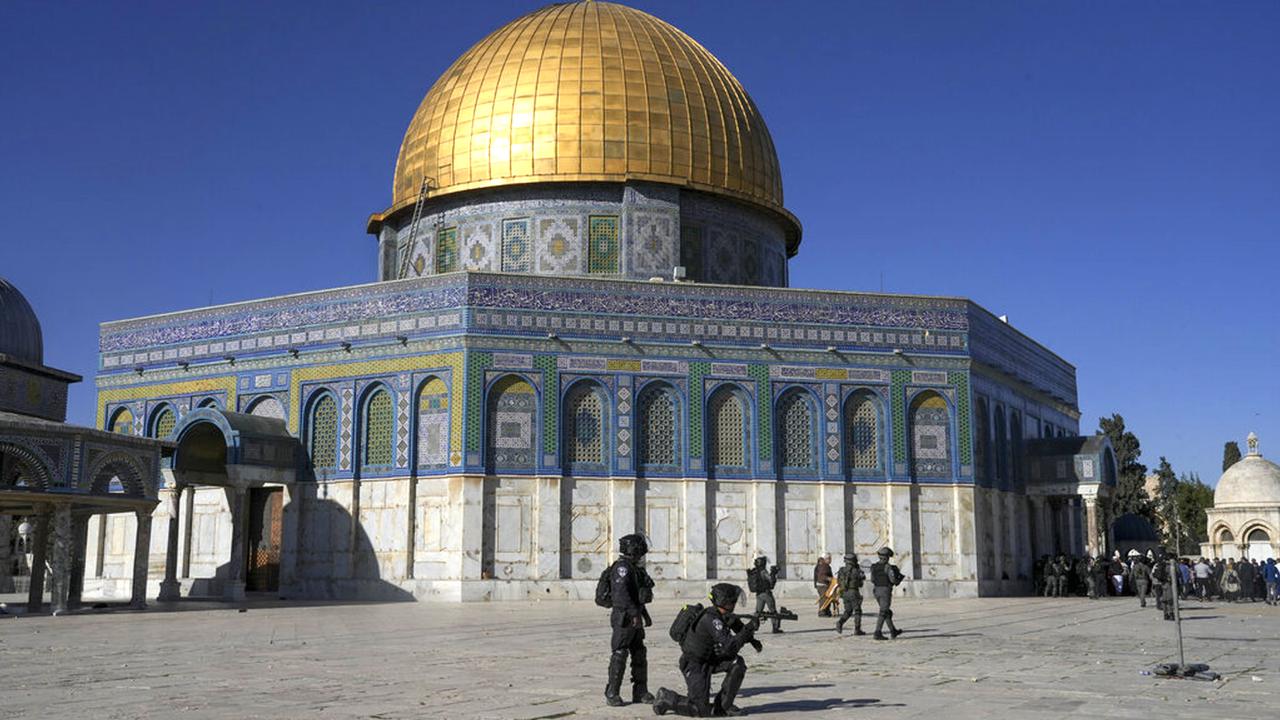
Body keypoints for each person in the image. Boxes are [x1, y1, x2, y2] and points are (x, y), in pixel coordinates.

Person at [653, 583, 758, 717]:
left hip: (710, 659)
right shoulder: (711, 619)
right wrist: (748, 629)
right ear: (725, 601)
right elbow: (730, 646)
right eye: (732, 600)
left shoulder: (721, 614)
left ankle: (724, 706)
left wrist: (752, 639)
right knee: (700, 709)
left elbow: (735, 625)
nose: (735, 603)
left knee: (737, 663)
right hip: (694, 664)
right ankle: (666, 698)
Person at [605, 533, 654, 707]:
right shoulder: (622, 568)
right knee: (620, 653)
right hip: (624, 618)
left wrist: (644, 615)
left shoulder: (634, 567)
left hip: (634, 616)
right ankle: (612, 692)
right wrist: (634, 615)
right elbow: (621, 596)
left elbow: (636, 595)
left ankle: (640, 691)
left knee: (639, 653)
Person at [870, 547, 904, 640]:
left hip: (876, 590)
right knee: (883, 611)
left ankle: (893, 631)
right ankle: (877, 632)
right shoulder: (888, 567)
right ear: (887, 557)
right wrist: (898, 580)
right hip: (885, 590)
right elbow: (893, 580)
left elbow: (872, 579)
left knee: (886, 612)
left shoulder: (874, 567)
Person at [747, 555, 782, 633]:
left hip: (759, 594)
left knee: (757, 612)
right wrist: (774, 572)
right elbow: (770, 580)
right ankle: (775, 628)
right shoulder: (763, 571)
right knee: (773, 611)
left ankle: (753, 628)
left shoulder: (755, 571)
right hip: (766, 594)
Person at [834, 553, 866, 636]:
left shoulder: (841, 570)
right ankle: (857, 629)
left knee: (848, 611)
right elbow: (860, 584)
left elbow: (838, 581)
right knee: (857, 611)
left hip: (844, 592)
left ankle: (840, 623)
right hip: (853, 592)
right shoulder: (856, 571)